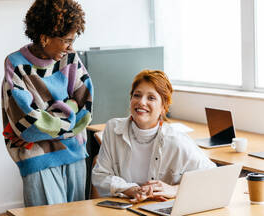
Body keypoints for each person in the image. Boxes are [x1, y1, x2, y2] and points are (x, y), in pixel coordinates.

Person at [1, 0, 93, 207]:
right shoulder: (16, 65)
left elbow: (85, 109)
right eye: (67, 41)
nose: (71, 47)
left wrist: (50, 121)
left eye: (73, 40)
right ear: (44, 38)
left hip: (75, 153)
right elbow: (28, 125)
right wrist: (69, 106)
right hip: (37, 159)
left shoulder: (70, 59)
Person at [91, 69, 215, 202]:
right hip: (123, 208)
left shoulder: (177, 140)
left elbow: (212, 176)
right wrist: (131, 190)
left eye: (151, 98)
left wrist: (174, 190)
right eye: (137, 95)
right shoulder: (113, 129)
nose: (141, 102)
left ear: (163, 107)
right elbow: (100, 175)